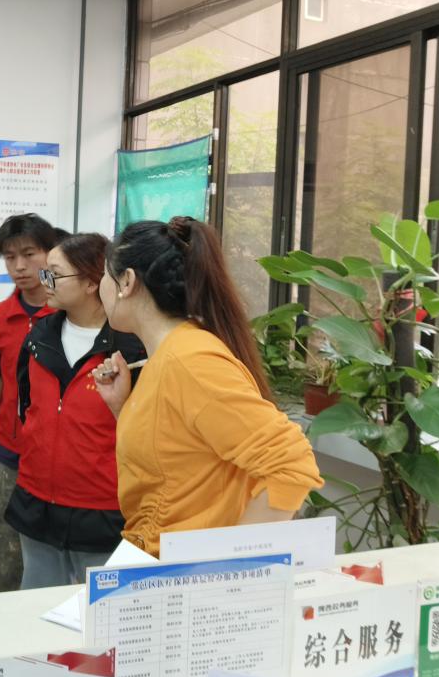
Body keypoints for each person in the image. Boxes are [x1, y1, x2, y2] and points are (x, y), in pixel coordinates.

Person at [94, 217, 323, 556]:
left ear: (126, 281)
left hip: (181, 571)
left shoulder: (189, 361)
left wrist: (228, 565)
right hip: (153, 558)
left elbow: (291, 466)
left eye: (103, 275)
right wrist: (122, 407)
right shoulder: (170, 355)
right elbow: (175, 460)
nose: (100, 286)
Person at [5, 233, 145, 588]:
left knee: (99, 608)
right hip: (37, 501)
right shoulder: (39, 337)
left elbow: (146, 430)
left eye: (54, 274)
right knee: (36, 602)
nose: (44, 282)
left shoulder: (131, 348)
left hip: (103, 508)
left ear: (91, 282)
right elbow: (26, 406)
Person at [0, 213, 63, 593]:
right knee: (2, 558)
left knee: (53, 564)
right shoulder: (0, 317)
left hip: (59, 457)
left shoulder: (70, 312)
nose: (19, 266)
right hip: (9, 455)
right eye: (10, 257)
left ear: (50, 253)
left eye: (29, 254)